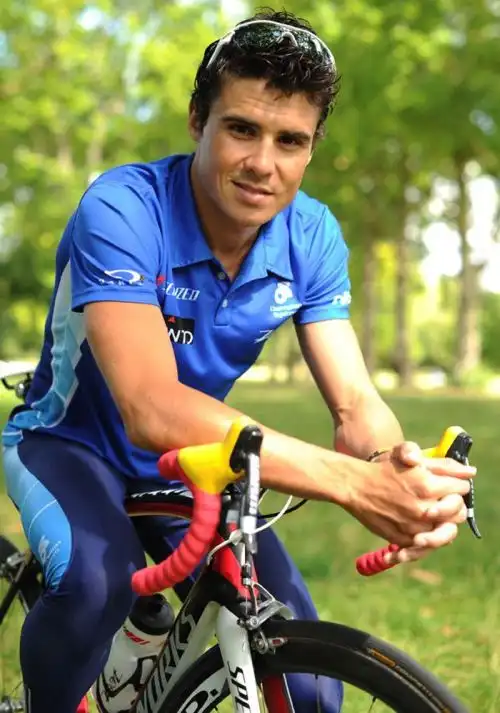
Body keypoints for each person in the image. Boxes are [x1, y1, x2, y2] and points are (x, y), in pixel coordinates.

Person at [1, 8, 476, 713]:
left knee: (308, 684)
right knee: (97, 585)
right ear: (198, 121)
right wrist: (351, 483)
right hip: (71, 444)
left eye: (291, 140)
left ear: (311, 149)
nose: (264, 163)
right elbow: (150, 406)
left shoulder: (312, 236)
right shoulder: (123, 207)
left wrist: (394, 471)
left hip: (203, 461)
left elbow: (354, 402)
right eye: (242, 129)